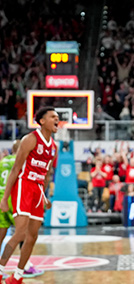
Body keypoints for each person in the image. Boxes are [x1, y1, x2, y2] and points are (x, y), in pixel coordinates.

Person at [0, 106, 59, 283]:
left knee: (33, 236)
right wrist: (5, 198)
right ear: (42, 121)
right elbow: (16, 169)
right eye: (52, 117)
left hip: (38, 191)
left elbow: (47, 174)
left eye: (57, 117)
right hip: (23, 186)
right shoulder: (30, 139)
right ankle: (1, 268)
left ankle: (17, 276)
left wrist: (45, 195)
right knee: (20, 233)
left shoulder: (53, 147)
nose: (57, 119)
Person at [0, 140, 44, 279]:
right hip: (15, 199)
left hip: (1, 199)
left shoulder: (2, 161)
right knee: (23, 234)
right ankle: (25, 266)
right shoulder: (22, 162)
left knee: (2, 236)